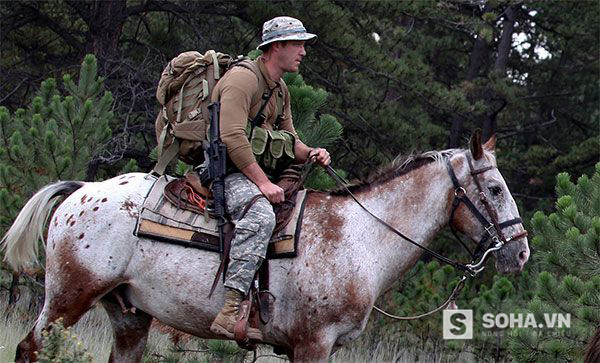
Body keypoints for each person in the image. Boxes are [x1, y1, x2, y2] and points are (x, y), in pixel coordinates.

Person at [209, 16, 330, 341]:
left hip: (252, 173)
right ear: (276, 46)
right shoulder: (242, 80)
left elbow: (290, 140)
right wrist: (262, 183)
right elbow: (231, 136)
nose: (303, 51)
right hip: (225, 174)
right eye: (298, 44)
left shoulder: (280, 88)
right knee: (261, 215)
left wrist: (311, 152)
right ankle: (230, 310)